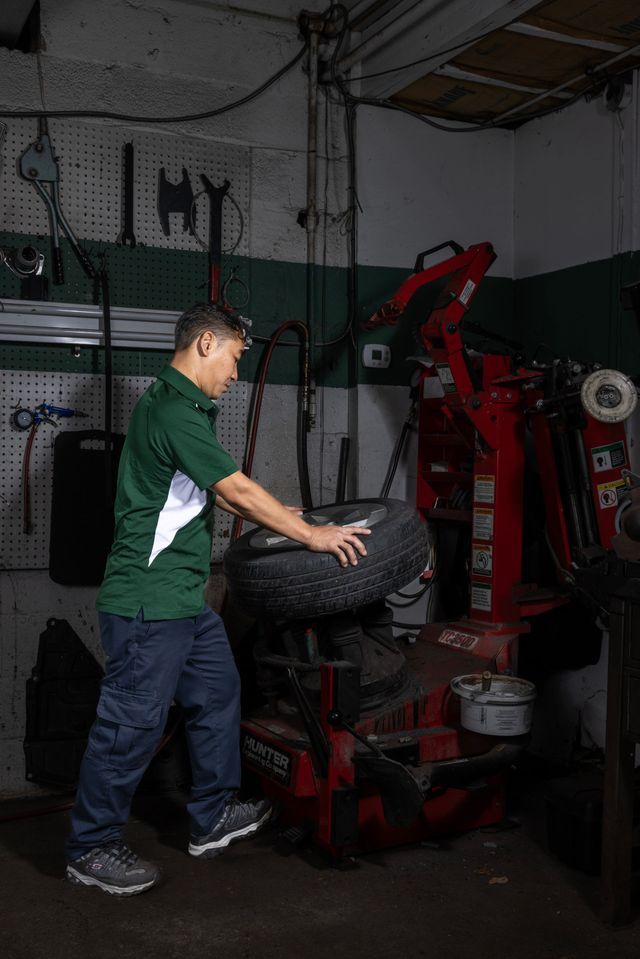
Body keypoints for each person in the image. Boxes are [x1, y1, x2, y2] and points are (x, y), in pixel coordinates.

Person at [64, 302, 370, 896]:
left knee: (217, 693)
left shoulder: (179, 411)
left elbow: (217, 494)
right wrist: (312, 536)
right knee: (131, 725)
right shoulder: (175, 410)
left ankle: (210, 817)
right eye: (234, 358)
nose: (235, 374)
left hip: (183, 602)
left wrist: (286, 518)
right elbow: (235, 487)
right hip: (148, 601)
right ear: (206, 343)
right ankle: (90, 846)